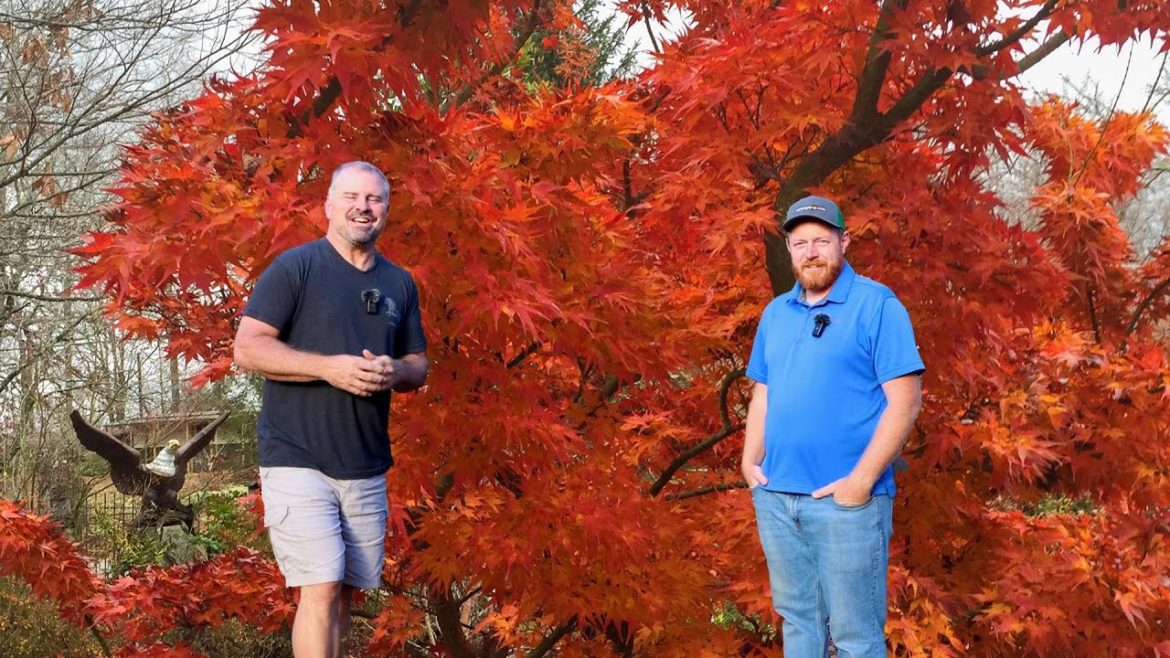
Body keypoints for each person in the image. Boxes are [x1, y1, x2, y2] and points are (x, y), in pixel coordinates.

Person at [234, 161, 429, 658]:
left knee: (344, 593)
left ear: (386, 209)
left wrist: (394, 372)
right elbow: (249, 349)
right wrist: (330, 368)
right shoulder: (296, 267)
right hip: (297, 456)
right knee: (319, 586)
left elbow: (418, 365)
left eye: (374, 199)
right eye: (351, 197)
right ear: (328, 205)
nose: (362, 207)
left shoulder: (400, 284)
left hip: (365, 464)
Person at [741, 195, 924, 658]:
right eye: (800, 242)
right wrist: (749, 461)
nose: (811, 252)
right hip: (778, 498)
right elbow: (764, 390)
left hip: (846, 506)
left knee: (855, 638)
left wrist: (860, 483)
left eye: (822, 240)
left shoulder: (877, 306)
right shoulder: (776, 314)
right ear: (788, 249)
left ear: (844, 242)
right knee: (798, 624)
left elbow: (905, 401)